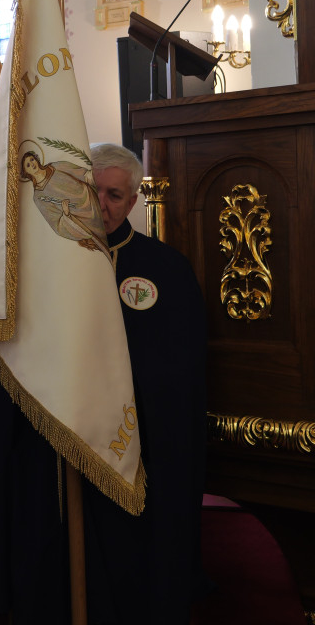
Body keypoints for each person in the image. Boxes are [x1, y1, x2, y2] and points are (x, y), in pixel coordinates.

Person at [83, 143, 208, 625]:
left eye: (114, 194)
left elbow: (183, 370)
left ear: (133, 200)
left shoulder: (166, 268)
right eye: (94, 192)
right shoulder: (58, 272)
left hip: (148, 448)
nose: (103, 205)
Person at [19, 150, 107, 253]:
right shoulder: (39, 197)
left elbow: (82, 174)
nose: (32, 164)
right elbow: (56, 224)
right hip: (82, 219)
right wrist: (66, 213)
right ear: (26, 172)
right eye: (28, 165)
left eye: (32, 159)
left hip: (93, 199)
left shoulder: (56, 166)